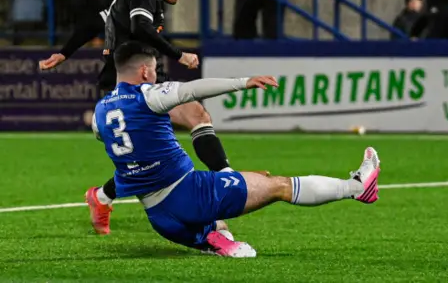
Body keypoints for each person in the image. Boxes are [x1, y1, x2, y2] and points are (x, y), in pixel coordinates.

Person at [92, 42, 382, 257]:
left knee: (236, 196)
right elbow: (194, 90)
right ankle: (356, 188)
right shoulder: (149, 95)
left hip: (161, 219)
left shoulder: (99, 114)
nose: (156, 76)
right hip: (190, 195)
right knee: (276, 185)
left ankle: (217, 240)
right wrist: (243, 83)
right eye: (154, 70)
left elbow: (122, 144)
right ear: (144, 71)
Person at [39, 0, 237, 236]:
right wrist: (179, 55)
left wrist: (64, 52)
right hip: (125, 85)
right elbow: (140, 27)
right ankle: (219, 200)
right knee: (154, 156)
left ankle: (224, 180)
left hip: (144, 79)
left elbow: (96, 22)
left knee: (193, 116)